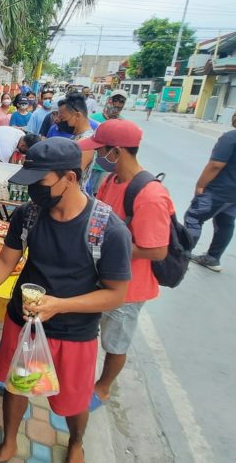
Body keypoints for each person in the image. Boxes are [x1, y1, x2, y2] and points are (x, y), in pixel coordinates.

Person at [0, 138, 132, 463]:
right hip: (23, 322)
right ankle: (9, 442)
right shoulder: (28, 214)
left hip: (74, 332)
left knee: (74, 400)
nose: (34, 192)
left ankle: (76, 442)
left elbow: (116, 294)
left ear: (70, 178)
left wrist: (59, 305)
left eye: (41, 183)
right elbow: (6, 262)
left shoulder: (107, 229)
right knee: (16, 385)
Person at [77, 120, 173, 407]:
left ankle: (103, 387)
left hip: (129, 287)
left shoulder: (150, 196)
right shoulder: (111, 180)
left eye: (101, 150)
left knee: (115, 342)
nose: (97, 156)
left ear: (116, 152)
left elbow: (156, 250)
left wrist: (110, 249)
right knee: (93, 329)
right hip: (101, 276)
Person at [185, 99, 236, 272]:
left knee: (194, 218)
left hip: (221, 191)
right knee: (226, 221)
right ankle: (213, 258)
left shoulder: (232, 137)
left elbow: (215, 165)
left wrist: (200, 186)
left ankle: (181, 256)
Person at [86, 90, 128, 194]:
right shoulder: (93, 119)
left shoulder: (123, 123)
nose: (117, 104)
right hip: (89, 163)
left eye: (121, 102)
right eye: (115, 100)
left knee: (99, 196)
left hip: (107, 167)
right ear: (109, 100)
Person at [57, 94, 99, 190]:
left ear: (77, 116)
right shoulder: (78, 137)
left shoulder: (85, 143)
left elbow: (72, 177)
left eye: (63, 119)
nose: (60, 122)